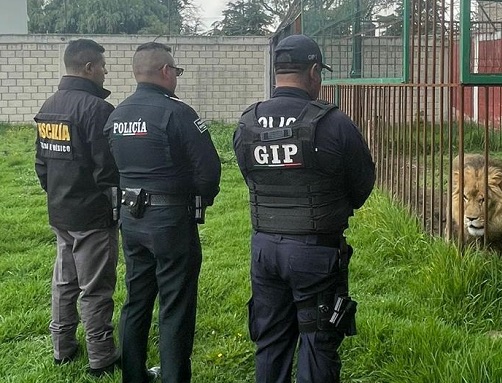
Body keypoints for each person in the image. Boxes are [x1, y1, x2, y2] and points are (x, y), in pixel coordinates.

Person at [233, 34, 376, 383]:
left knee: (271, 342)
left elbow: (248, 174)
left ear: (278, 71)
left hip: (264, 249)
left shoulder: (247, 122)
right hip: (316, 252)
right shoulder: (334, 122)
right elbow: (362, 182)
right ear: (314, 72)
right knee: (318, 342)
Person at [104, 42, 221, 383]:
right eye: (177, 72)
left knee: (136, 300)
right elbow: (209, 171)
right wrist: (200, 200)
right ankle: (174, 377)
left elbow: (111, 167)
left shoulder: (117, 114)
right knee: (176, 304)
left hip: (131, 218)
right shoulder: (179, 113)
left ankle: (134, 375)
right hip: (170, 221)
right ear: (167, 72)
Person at [34, 38, 119, 377]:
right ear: (88, 68)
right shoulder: (97, 110)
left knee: (64, 283)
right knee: (96, 288)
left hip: (60, 211)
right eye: (101, 65)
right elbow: (108, 171)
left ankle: (62, 348)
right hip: (93, 216)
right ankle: (101, 357)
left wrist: (57, 195)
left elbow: (42, 165)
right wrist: (114, 210)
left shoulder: (49, 106)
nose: (105, 70)